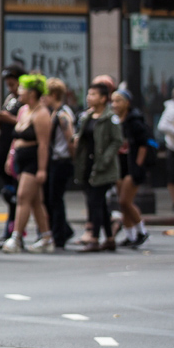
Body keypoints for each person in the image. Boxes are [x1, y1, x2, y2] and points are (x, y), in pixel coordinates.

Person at [0, 73, 52, 254]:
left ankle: (16, 237)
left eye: (22, 89)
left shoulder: (42, 113)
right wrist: (10, 156)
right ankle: (46, 237)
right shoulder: (23, 111)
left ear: (32, 92)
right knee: (35, 200)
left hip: (33, 160)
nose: (19, 92)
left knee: (22, 197)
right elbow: (15, 139)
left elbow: (44, 144)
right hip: (20, 159)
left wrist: (42, 169)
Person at [73, 83, 120, 252]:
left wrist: (106, 159)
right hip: (87, 164)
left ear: (103, 98)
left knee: (95, 202)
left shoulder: (109, 117)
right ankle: (109, 237)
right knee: (99, 203)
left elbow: (117, 140)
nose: (89, 97)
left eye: (93, 94)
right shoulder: (87, 116)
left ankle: (94, 237)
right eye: (89, 93)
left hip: (102, 166)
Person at [110, 86, 149, 248]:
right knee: (122, 203)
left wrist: (138, 165)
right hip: (120, 165)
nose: (115, 104)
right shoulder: (114, 120)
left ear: (127, 103)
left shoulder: (135, 121)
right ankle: (130, 235)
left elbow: (144, 144)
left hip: (132, 166)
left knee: (125, 201)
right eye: (113, 101)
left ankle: (142, 231)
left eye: (118, 101)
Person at [44, 77, 75, 250]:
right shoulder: (54, 112)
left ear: (54, 94)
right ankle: (64, 229)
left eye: (46, 94)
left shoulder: (63, 114)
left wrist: (72, 158)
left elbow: (70, 139)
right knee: (52, 198)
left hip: (61, 161)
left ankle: (60, 235)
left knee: (56, 199)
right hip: (55, 160)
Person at [0, 65, 23, 240]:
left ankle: (14, 230)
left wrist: (8, 118)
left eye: (13, 84)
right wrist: (0, 119)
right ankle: (11, 229)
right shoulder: (10, 99)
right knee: (9, 192)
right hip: (5, 145)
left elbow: (23, 122)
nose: (11, 88)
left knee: (17, 195)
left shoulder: (25, 101)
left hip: (16, 149)